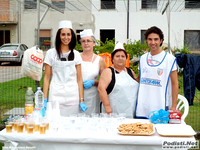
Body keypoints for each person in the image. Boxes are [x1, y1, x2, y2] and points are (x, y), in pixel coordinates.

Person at [43, 20, 87, 117]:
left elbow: (79, 79)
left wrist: (81, 100)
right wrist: (44, 99)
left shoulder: (76, 54)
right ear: (59, 36)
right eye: (63, 34)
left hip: (72, 95)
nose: (66, 37)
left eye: (68, 34)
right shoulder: (51, 53)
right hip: (55, 95)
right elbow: (46, 78)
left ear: (72, 36)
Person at [135, 26, 179, 118]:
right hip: (143, 105)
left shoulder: (169, 59)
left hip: (161, 105)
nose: (153, 42)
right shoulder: (143, 58)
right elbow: (139, 79)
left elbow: (175, 84)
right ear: (146, 41)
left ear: (161, 40)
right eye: (150, 39)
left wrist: (174, 106)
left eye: (156, 39)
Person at [98, 42, 139, 118]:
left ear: (126, 59)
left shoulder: (130, 71)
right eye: (117, 56)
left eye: (123, 56)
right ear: (112, 59)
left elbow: (136, 84)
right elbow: (101, 89)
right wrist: (107, 106)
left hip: (130, 111)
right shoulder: (108, 71)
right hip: (113, 112)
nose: (120, 58)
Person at [80, 29, 106, 114]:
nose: (86, 43)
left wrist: (93, 82)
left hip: (93, 96)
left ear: (94, 43)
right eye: (83, 41)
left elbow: (105, 81)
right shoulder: (76, 58)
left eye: (88, 41)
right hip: (77, 94)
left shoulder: (99, 60)